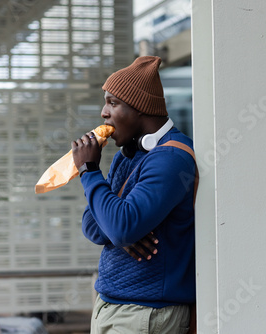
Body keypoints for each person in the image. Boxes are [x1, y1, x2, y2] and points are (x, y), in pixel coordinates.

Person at [71, 56, 197, 333]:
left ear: (139, 108)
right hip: (112, 305)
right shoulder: (127, 156)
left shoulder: (171, 158)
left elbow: (120, 226)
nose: (104, 112)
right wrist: (121, 232)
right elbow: (94, 228)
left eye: (113, 103)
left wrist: (90, 170)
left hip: (147, 313)